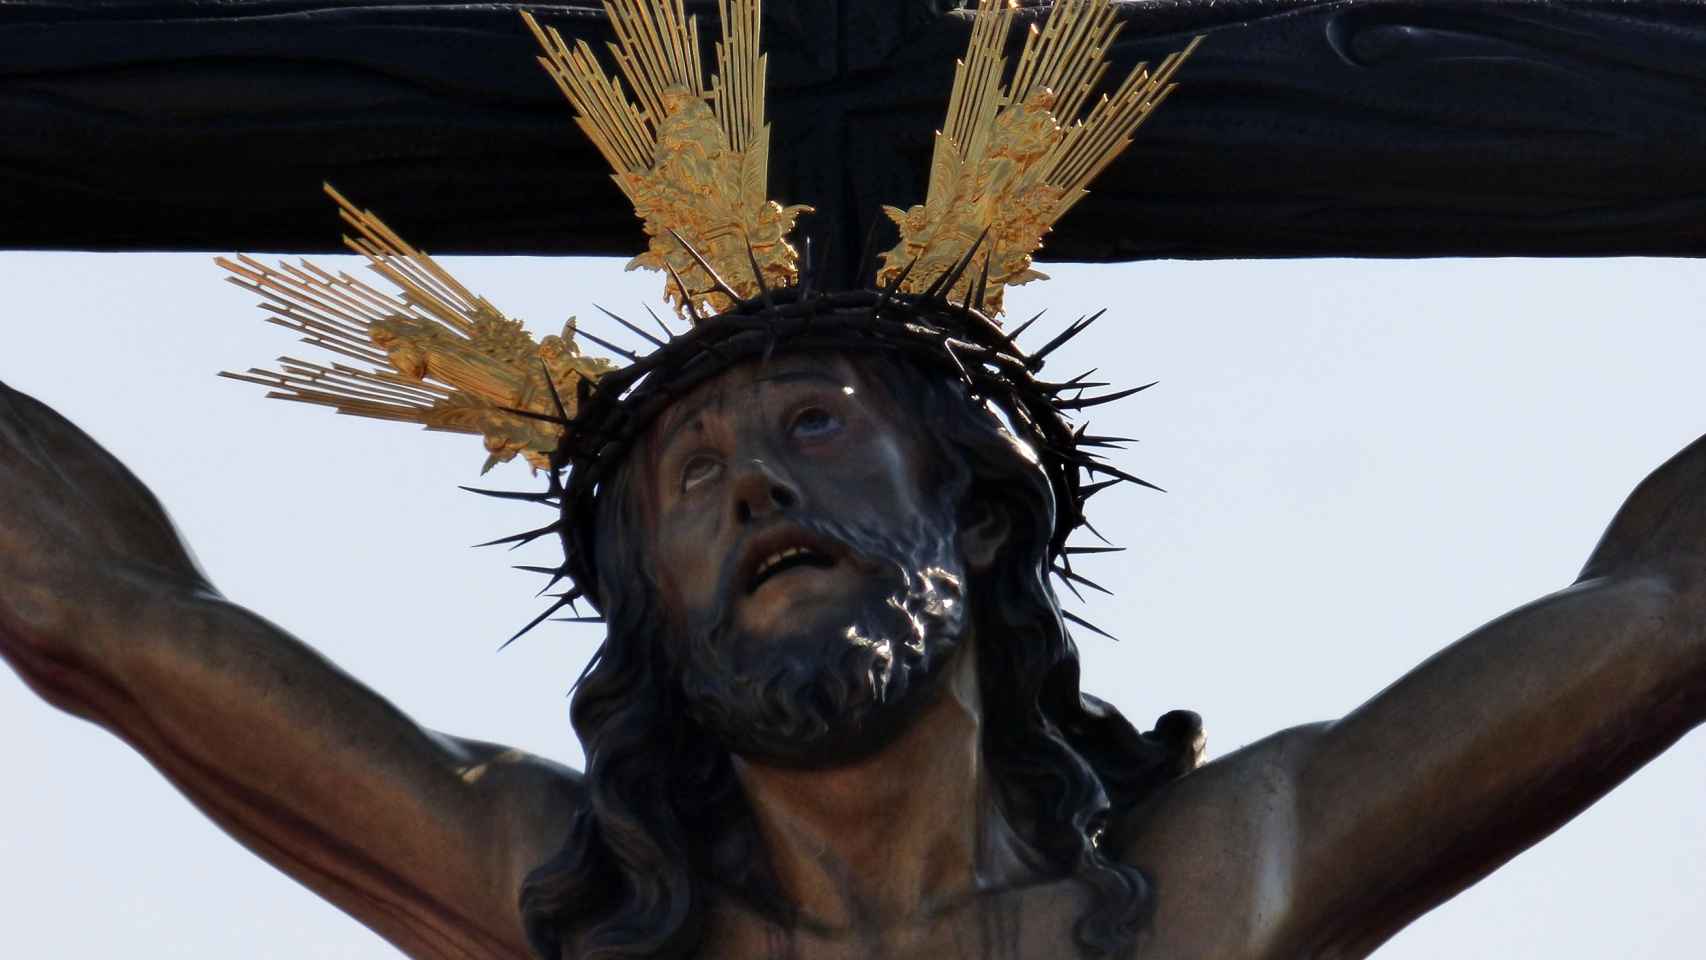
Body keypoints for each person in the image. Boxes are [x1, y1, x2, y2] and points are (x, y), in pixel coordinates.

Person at [5, 1, 1706, 958]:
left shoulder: (1205, 898)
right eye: (685, 477)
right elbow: (98, 614)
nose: (748, 487)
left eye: (811, 427)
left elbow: (1664, 607)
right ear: (649, 621)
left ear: (970, 508)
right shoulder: (575, 909)